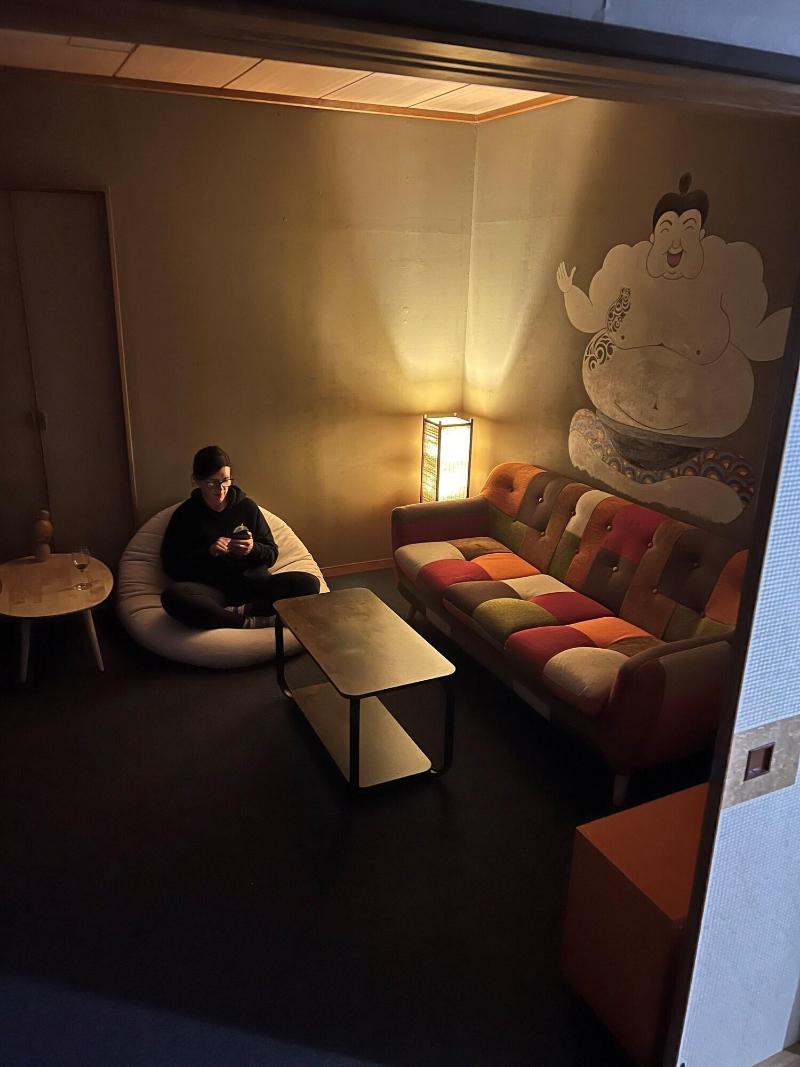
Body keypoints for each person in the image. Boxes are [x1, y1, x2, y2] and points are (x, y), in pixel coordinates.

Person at [160, 445, 320, 630]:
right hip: (214, 591)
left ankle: (244, 611)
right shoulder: (185, 515)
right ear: (197, 481)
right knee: (172, 597)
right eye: (212, 483)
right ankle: (248, 621)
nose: (221, 489)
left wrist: (252, 548)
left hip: (256, 585)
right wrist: (209, 552)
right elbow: (171, 565)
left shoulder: (247, 507)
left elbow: (271, 554)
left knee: (309, 583)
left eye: (225, 480)